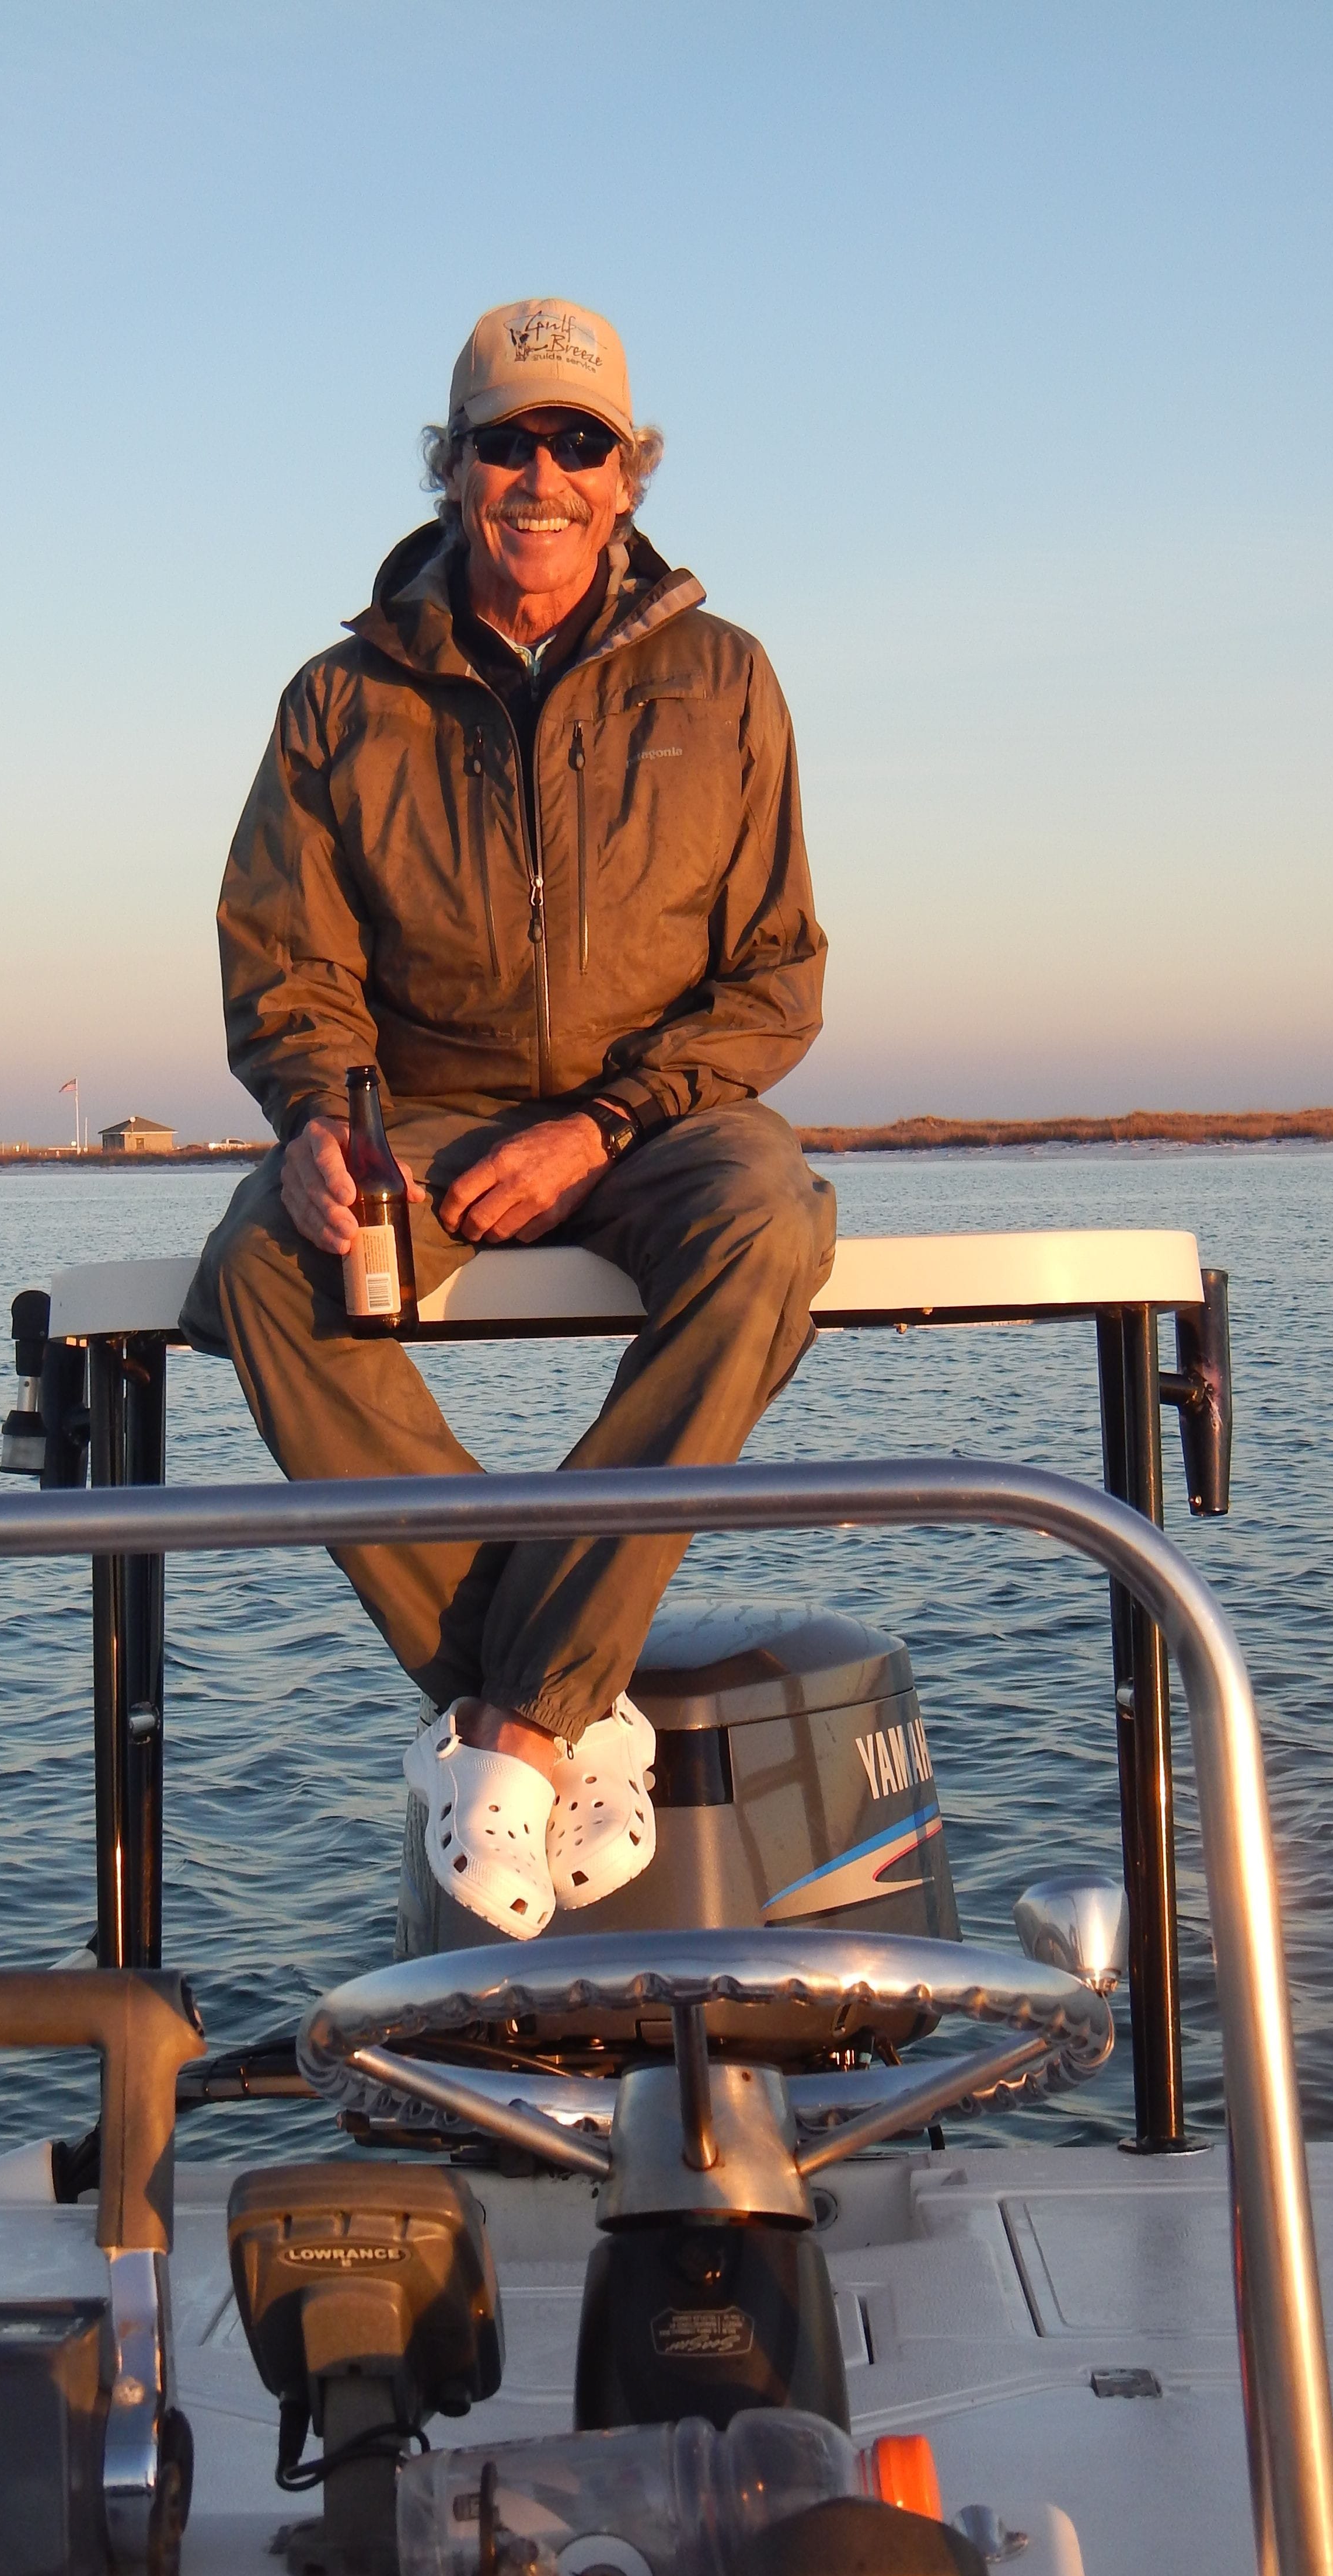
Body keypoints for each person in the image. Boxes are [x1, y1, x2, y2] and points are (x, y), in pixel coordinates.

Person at [182, 296, 835, 1943]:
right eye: (506, 442)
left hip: (658, 1115)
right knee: (267, 1265)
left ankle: (512, 1726)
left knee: (772, 1221)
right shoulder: (338, 697)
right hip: (422, 1111)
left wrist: (605, 1127)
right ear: (452, 467)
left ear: (629, 475)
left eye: (578, 442)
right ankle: (550, 1703)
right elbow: (289, 959)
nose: (541, 474)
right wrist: (323, 1120)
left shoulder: (728, 677)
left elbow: (774, 981)